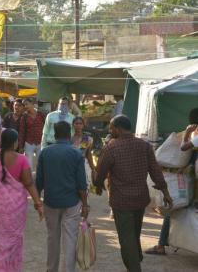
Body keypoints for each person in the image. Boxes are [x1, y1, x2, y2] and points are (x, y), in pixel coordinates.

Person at [92, 115, 172, 272]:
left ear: (118, 128)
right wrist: (166, 193)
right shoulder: (145, 146)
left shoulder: (111, 147)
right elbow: (156, 171)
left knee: (126, 238)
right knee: (134, 234)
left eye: (111, 127)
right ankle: (135, 260)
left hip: (121, 202)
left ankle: (134, 267)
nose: (109, 130)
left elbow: (99, 176)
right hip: (140, 200)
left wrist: (96, 179)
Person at [0, 129, 43, 271]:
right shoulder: (21, 159)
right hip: (15, 213)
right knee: (13, 243)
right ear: (15, 143)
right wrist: (38, 204)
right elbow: (29, 184)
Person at [36, 121, 88, 272]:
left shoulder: (45, 153)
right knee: (70, 240)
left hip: (51, 201)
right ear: (69, 133)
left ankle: (51, 269)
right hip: (71, 203)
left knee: (52, 238)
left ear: (55, 134)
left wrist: (38, 200)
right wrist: (85, 204)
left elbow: (39, 181)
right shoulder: (76, 153)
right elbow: (81, 184)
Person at [145, 107, 198, 256]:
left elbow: (183, 148)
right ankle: (162, 244)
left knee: (173, 208)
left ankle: (162, 245)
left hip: (193, 183)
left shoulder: (194, 135)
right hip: (192, 180)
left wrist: (187, 133)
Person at [19, 97, 45, 171]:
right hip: (29, 143)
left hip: (40, 142)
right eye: (24, 105)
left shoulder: (41, 114)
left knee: (41, 165)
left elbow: (46, 128)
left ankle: (39, 181)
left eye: (27, 104)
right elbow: (22, 131)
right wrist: (21, 146)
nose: (25, 106)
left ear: (32, 104)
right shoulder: (24, 116)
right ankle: (29, 181)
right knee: (28, 166)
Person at [71, 117, 95, 186]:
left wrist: (93, 169)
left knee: (83, 185)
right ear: (73, 125)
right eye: (76, 123)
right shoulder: (69, 138)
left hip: (83, 165)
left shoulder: (87, 139)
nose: (78, 125)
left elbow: (88, 154)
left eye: (80, 124)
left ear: (83, 125)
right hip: (70, 165)